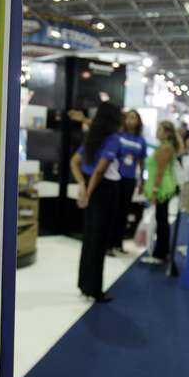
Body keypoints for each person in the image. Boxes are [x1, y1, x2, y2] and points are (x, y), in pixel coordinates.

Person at [69, 102, 122, 303]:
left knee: (89, 238)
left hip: (92, 190)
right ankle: (95, 290)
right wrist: (88, 192)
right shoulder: (113, 139)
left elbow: (74, 162)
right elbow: (100, 171)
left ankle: (85, 285)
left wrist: (82, 184)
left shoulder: (93, 137)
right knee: (98, 241)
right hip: (104, 191)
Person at [144, 121, 181, 265]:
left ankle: (160, 253)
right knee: (162, 219)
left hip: (162, 189)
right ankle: (162, 252)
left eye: (159, 129)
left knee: (161, 220)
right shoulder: (164, 146)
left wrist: (154, 191)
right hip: (163, 187)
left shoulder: (165, 148)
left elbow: (160, 171)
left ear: (167, 133)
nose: (157, 131)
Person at [111, 110, 146, 255]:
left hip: (130, 178)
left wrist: (141, 181)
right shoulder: (119, 136)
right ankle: (109, 244)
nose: (131, 120)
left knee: (123, 212)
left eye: (134, 118)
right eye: (129, 117)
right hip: (116, 177)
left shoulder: (141, 140)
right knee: (113, 211)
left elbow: (141, 161)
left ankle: (118, 244)